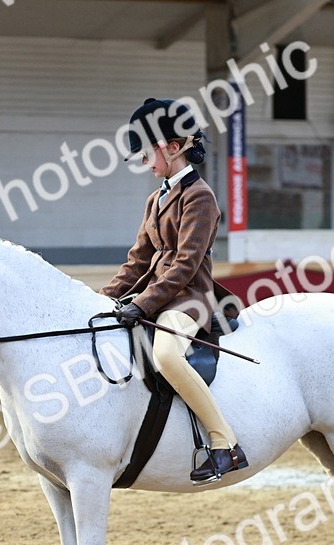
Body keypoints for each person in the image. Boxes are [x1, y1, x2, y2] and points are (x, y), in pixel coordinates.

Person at [100, 97, 248, 485]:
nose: (146, 162)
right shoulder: (156, 199)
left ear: (174, 146)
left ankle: (224, 444)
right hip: (156, 295)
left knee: (165, 354)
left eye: (149, 153)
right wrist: (103, 298)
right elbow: (137, 259)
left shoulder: (201, 197)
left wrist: (144, 303)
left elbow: (184, 265)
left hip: (190, 299)